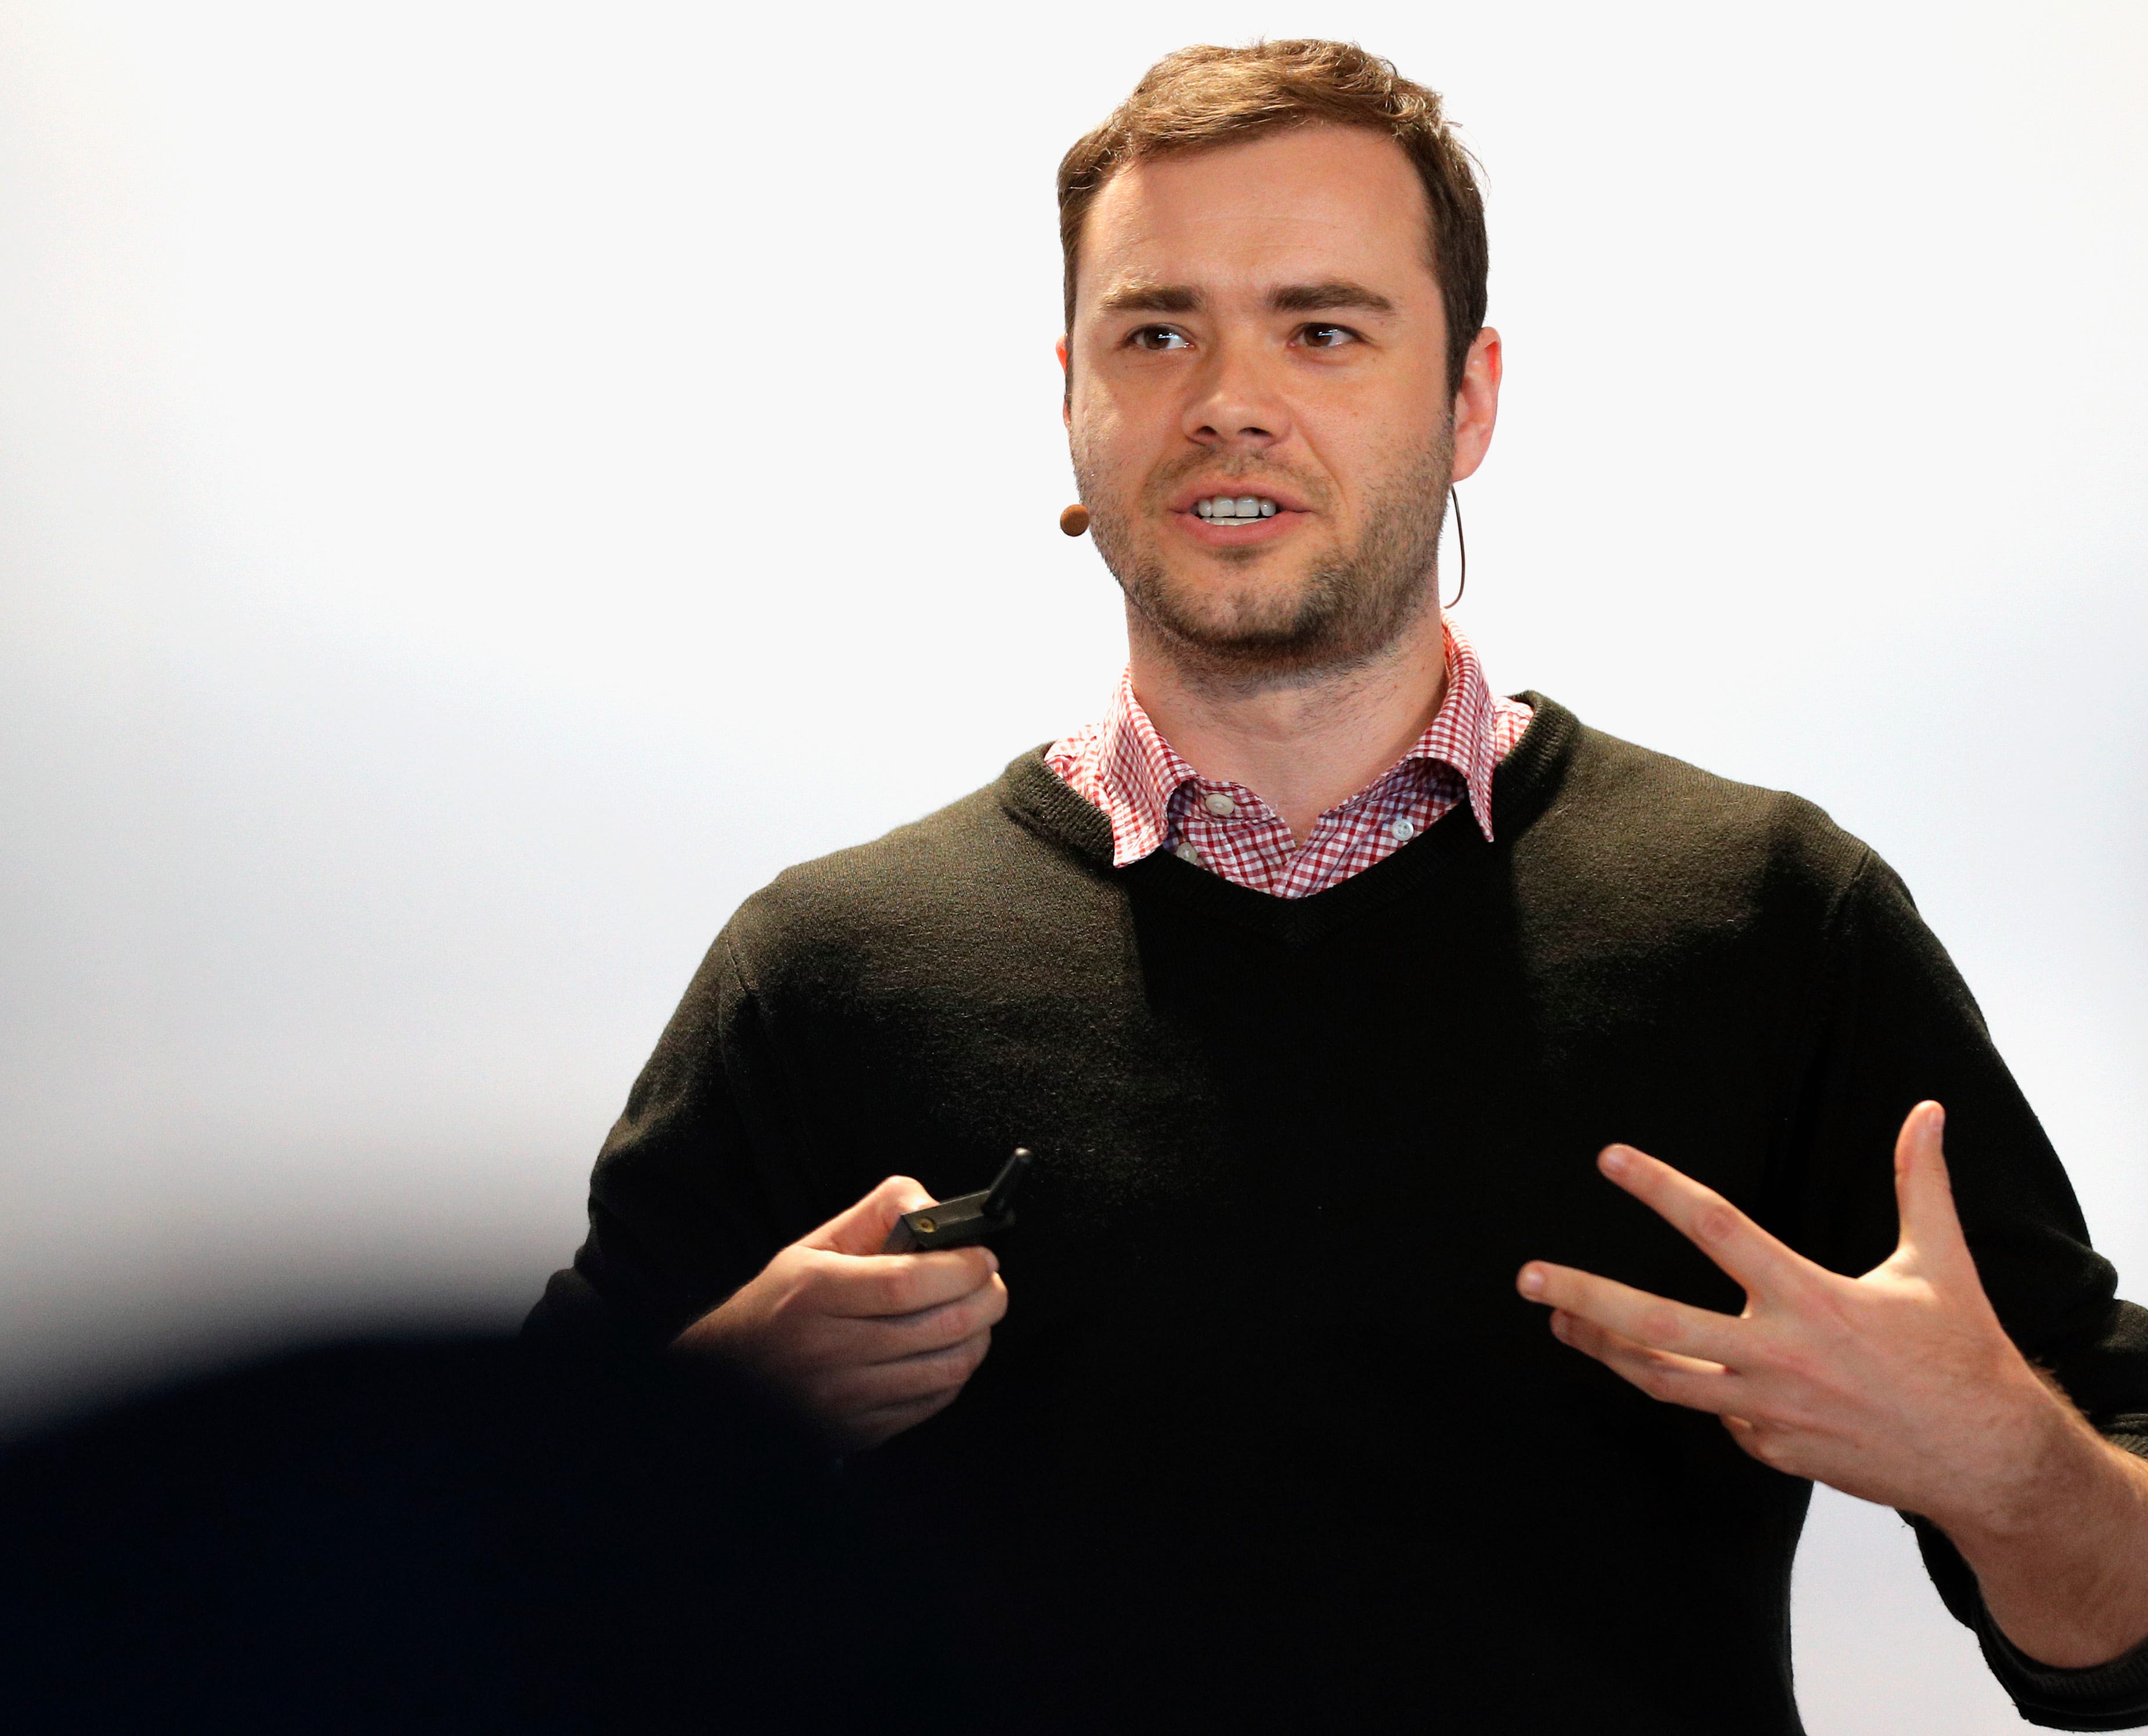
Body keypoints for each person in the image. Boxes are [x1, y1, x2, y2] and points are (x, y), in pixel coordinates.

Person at [529, 40, 2148, 1733]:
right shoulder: (827, 970)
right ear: (1071, 401)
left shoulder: (1768, 920)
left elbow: (2123, 1627)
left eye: (1323, 330)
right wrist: (716, 1423)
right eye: (1158, 333)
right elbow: (484, 1590)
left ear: (1469, 402)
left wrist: (2007, 1465)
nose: (1229, 399)